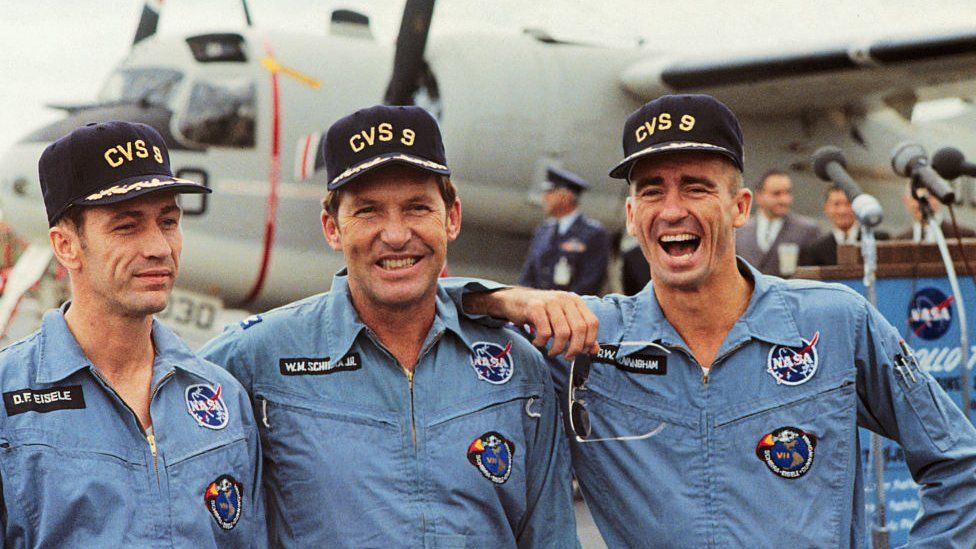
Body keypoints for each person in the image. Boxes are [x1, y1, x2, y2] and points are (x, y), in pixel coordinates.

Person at [461, 94, 976, 546]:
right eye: (652, 190)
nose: (672, 209)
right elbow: (426, 305)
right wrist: (511, 299)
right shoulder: (587, 342)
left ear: (739, 207)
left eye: (696, 188)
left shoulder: (835, 323)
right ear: (633, 214)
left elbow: (961, 461)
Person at [200, 105, 578, 547]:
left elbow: (551, 537)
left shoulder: (517, 367)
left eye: (417, 208)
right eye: (368, 212)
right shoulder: (256, 357)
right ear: (332, 228)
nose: (396, 235)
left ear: (451, 218)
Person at [0, 121, 265, 545]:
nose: (159, 247)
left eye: (169, 221)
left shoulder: (223, 396)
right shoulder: (8, 399)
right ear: (66, 245)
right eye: (127, 226)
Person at [518, 167, 609, 294]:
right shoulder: (543, 231)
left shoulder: (593, 233)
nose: (545, 198)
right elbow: (528, 275)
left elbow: (591, 280)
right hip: (537, 308)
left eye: (550, 192)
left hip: (570, 309)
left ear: (567, 196)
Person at [736, 169, 821, 275]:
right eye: (776, 194)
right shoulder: (739, 231)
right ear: (759, 196)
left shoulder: (807, 230)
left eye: (787, 193)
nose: (784, 200)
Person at [800, 184, 889, 266]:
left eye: (848, 204)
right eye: (836, 204)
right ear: (826, 208)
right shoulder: (816, 250)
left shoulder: (878, 240)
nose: (843, 210)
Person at [895, 183, 976, 241]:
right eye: (915, 197)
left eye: (928, 196)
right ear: (906, 201)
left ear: (938, 198)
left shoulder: (965, 237)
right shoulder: (898, 242)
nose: (921, 203)